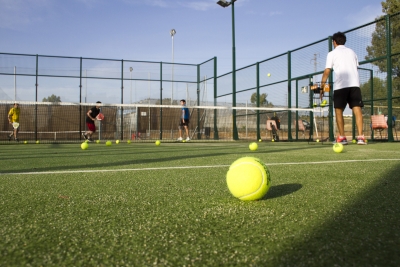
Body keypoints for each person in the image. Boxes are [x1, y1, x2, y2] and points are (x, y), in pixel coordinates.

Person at [321, 32, 366, 145]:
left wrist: (322, 86)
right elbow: (356, 67)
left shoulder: (332, 53)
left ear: (334, 42)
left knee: (338, 111)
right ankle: (361, 137)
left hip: (341, 86)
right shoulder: (352, 52)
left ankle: (342, 137)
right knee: (357, 109)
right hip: (355, 84)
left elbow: (327, 71)